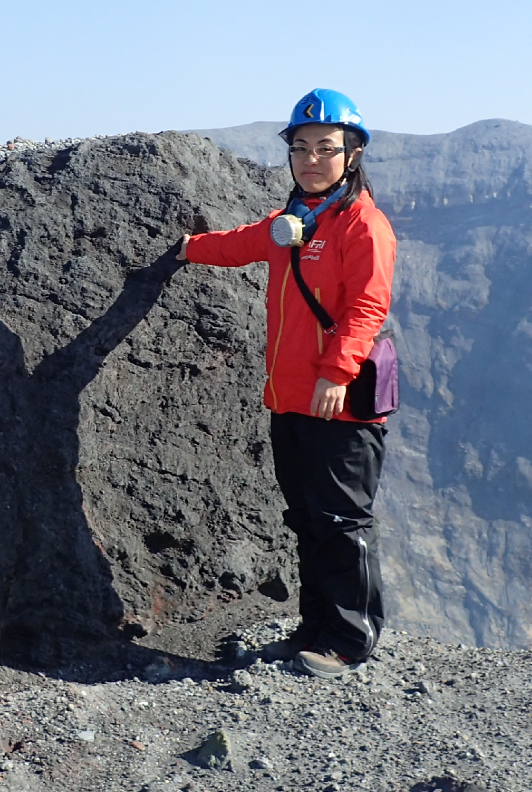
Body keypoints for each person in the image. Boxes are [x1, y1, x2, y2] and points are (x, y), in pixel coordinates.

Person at [177, 88, 396, 678]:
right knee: (306, 520)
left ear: (352, 154)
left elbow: (368, 307)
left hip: (340, 405)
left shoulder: (363, 225)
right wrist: (184, 249)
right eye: (300, 147)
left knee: (341, 524)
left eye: (326, 148)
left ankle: (350, 641)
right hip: (290, 400)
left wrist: (334, 375)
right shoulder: (296, 220)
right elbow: (241, 244)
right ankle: (314, 629)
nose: (311, 159)